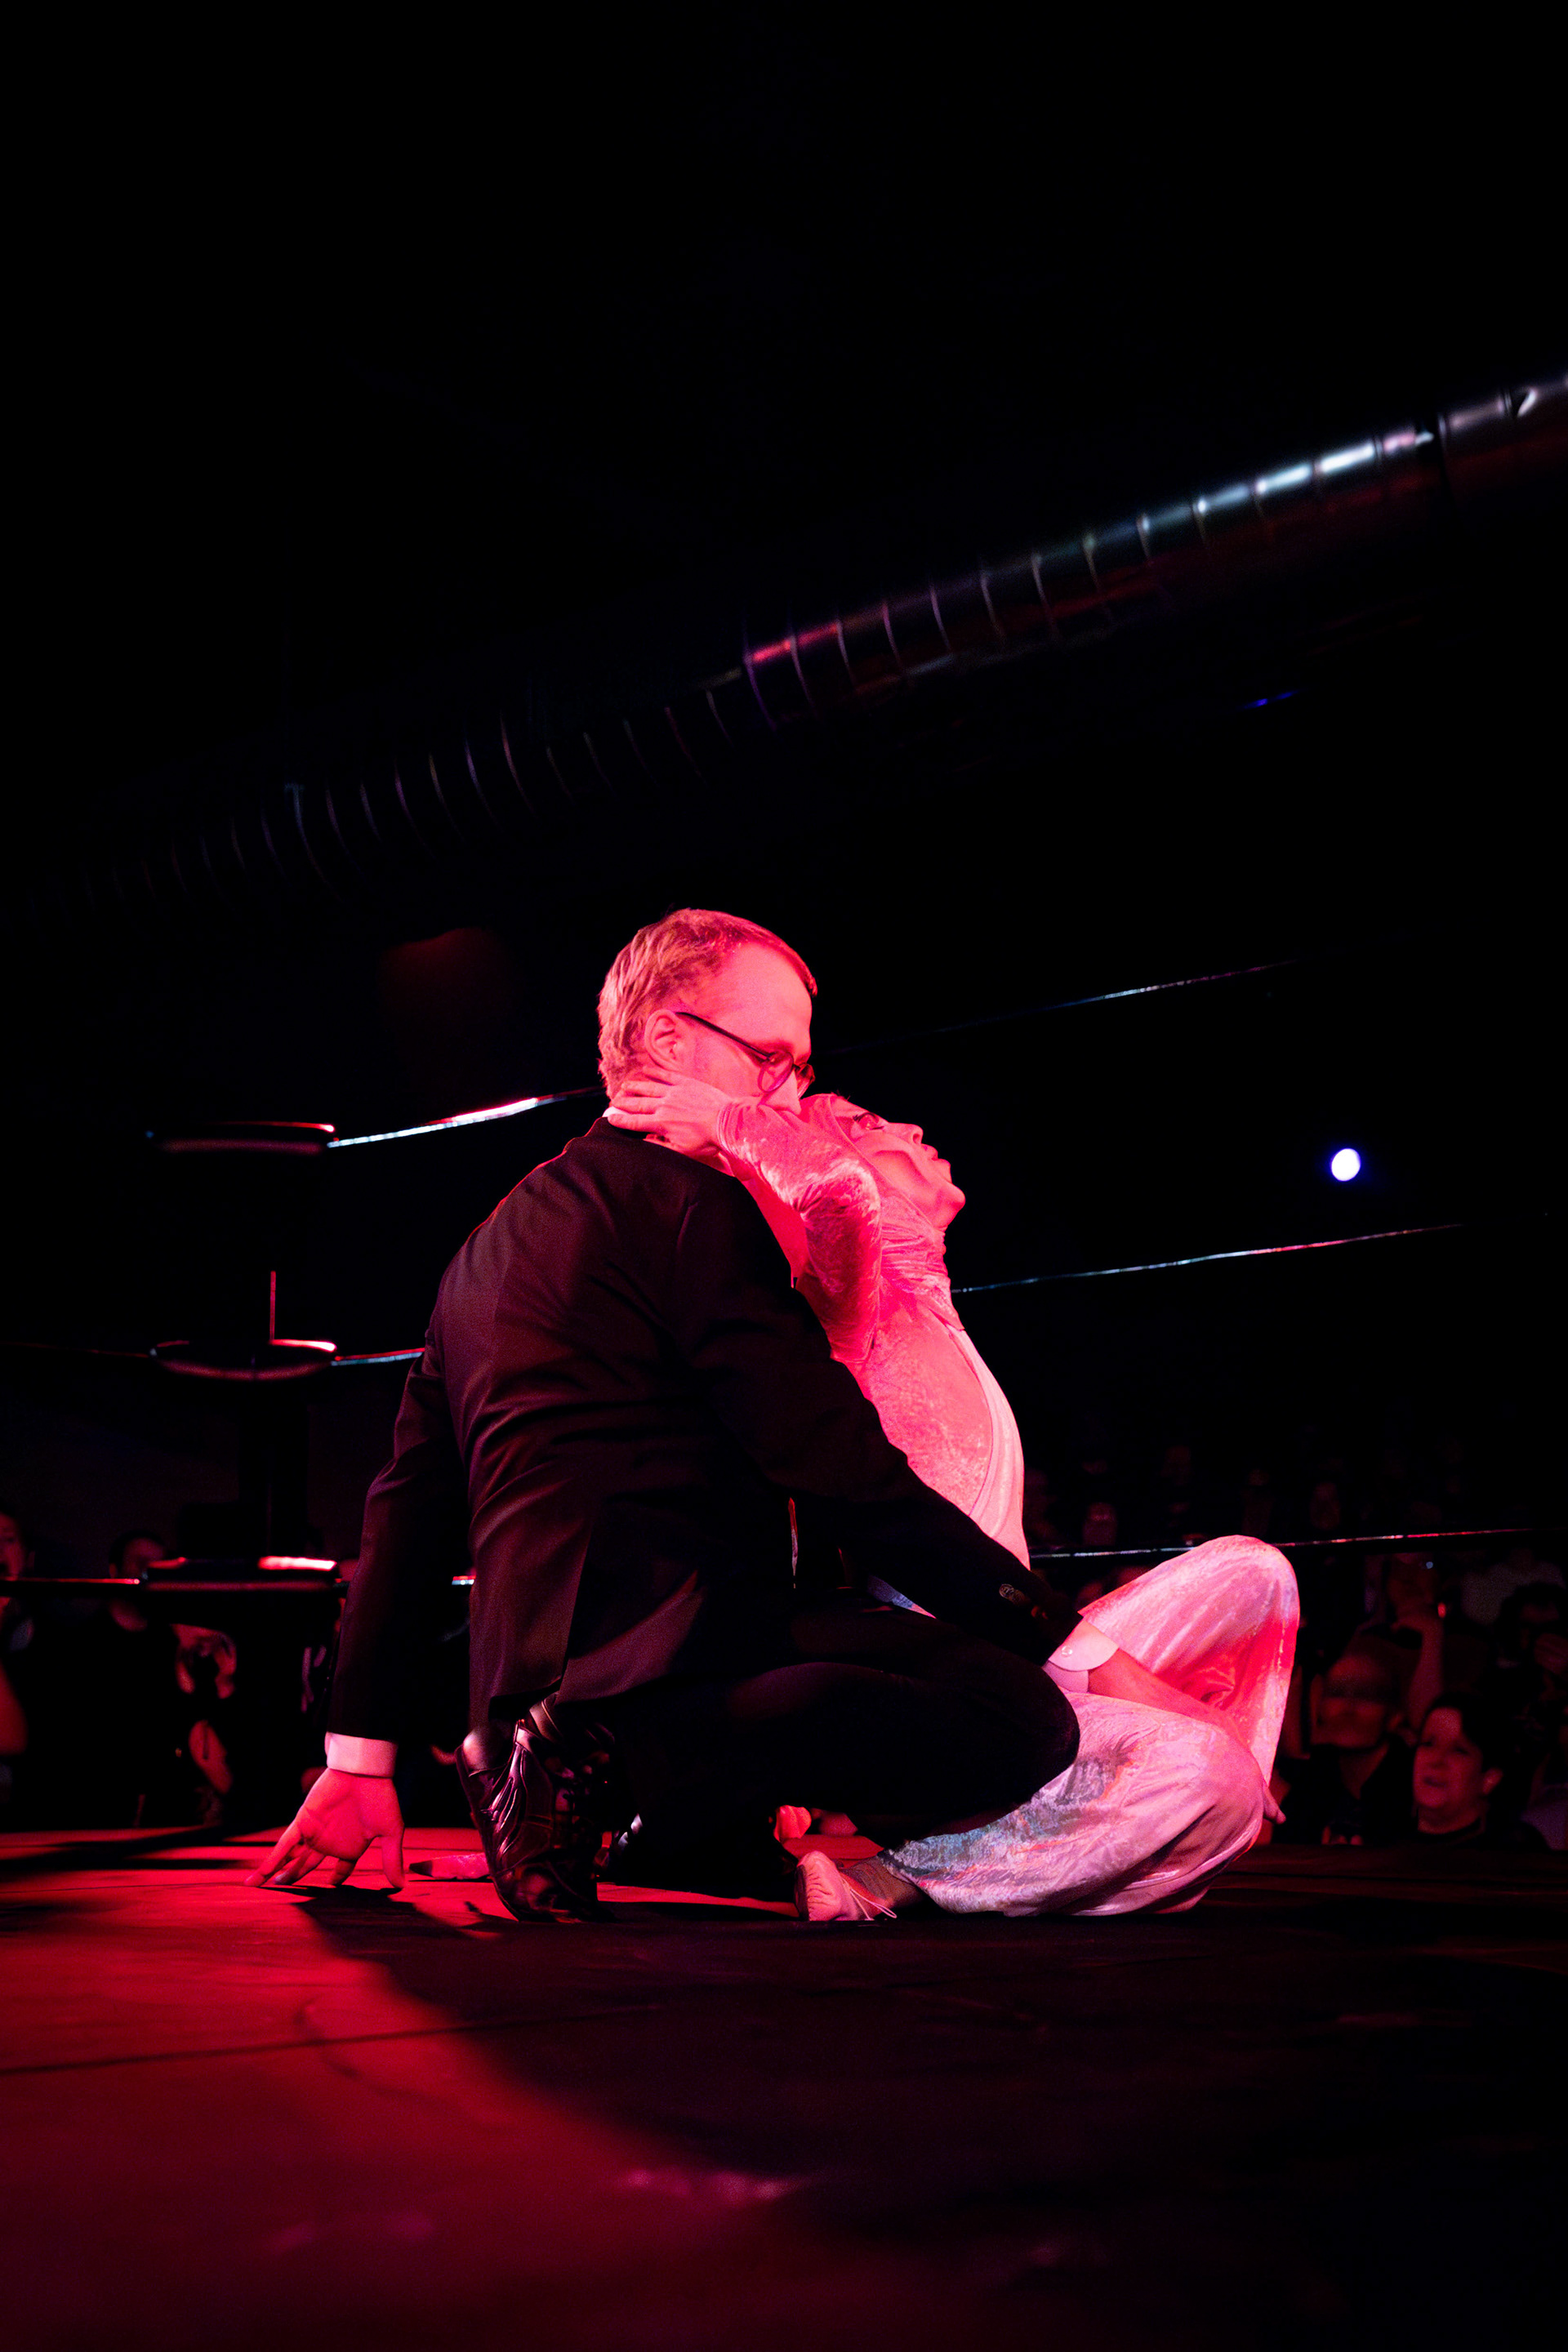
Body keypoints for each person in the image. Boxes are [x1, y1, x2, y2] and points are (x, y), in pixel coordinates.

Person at [252, 911, 1082, 1919]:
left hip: (528, 1685)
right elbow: (836, 1468)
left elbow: (409, 1511)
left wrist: (358, 1760)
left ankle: (626, 1808)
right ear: (668, 1042)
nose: (790, 1096)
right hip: (672, 1660)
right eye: (770, 1060)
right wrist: (1060, 1634)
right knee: (1025, 1714)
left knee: (880, 1673)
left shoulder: (483, 1249)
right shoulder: (692, 1206)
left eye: (799, 1070)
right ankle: (600, 1759)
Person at [603, 1078, 1296, 1918]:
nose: (909, 1125)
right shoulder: (846, 1309)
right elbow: (839, 1196)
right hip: (956, 1702)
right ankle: (907, 1874)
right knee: (1209, 1777)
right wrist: (729, 1119)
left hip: (1032, 1654)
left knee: (1257, 1576)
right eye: (866, 1123)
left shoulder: (934, 1307)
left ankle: (1164, 1816)